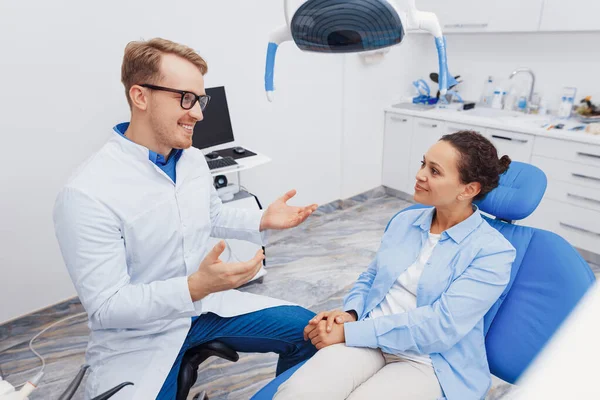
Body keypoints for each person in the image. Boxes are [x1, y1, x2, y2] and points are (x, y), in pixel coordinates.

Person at [53, 38, 318, 400]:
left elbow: (210, 215)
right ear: (140, 96)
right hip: (138, 337)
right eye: (186, 98)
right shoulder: (86, 193)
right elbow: (107, 308)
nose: (199, 113)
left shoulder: (191, 159)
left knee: (314, 333)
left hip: (205, 309)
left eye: (200, 99)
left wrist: (261, 219)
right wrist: (194, 286)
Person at [274, 131, 516, 400]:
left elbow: (441, 327)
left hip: (428, 361)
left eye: (434, 171)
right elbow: (371, 277)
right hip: (367, 338)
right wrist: (351, 314)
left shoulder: (493, 252)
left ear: (468, 189)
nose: (420, 175)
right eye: (423, 164)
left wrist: (352, 332)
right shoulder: (405, 222)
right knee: (297, 393)